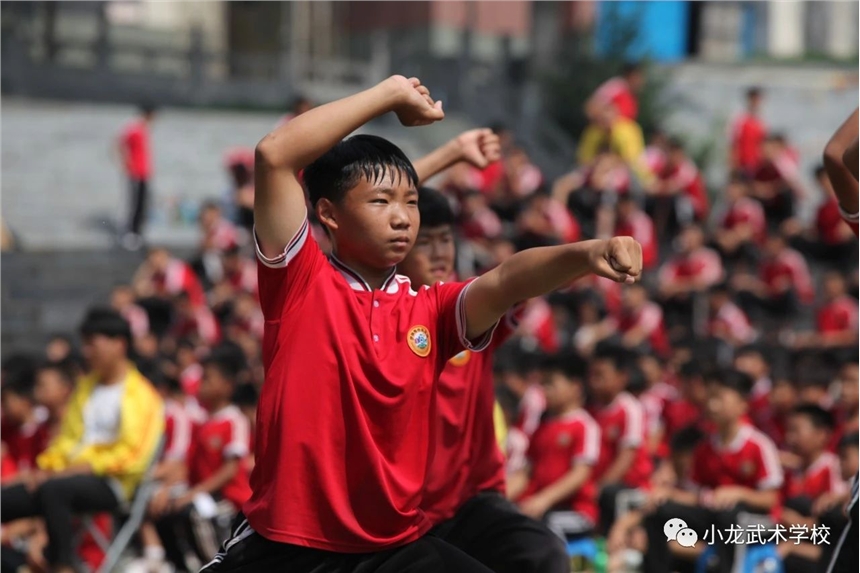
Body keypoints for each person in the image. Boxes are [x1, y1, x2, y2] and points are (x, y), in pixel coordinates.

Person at [203, 75, 643, 572]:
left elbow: (505, 281)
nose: (402, 218)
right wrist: (389, 95)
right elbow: (275, 154)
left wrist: (587, 252)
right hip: (288, 546)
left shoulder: (430, 311)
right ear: (327, 214)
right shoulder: (300, 282)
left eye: (411, 203)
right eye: (381, 202)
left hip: (390, 548)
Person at [398, 187, 568, 573]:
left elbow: (517, 280)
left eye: (446, 240)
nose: (440, 252)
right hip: (400, 513)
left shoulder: (470, 306)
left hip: (469, 502)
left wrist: (588, 254)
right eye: (426, 242)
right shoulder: (378, 314)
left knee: (542, 553)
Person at [1, 308, 164, 573]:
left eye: (92, 344)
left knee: (55, 490)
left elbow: (131, 457)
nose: (86, 352)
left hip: (113, 484)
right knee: (7, 498)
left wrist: (68, 472)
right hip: (67, 478)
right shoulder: (85, 389)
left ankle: (63, 566)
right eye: (84, 344)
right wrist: (45, 470)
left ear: (119, 344)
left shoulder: (143, 396)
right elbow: (67, 441)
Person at [642, 370, 783, 573]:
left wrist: (738, 493)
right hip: (716, 517)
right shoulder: (704, 448)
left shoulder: (758, 445)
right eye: (710, 398)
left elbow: (770, 500)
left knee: (729, 517)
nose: (712, 405)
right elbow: (697, 496)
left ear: (742, 405)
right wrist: (669, 495)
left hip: (756, 522)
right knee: (660, 512)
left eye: (720, 398)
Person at [156, 351, 251, 572]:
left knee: (193, 512)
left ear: (227, 385)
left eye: (208, 378)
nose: (201, 384)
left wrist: (194, 493)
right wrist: (168, 489)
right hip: (205, 494)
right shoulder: (204, 423)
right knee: (164, 510)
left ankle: (214, 564)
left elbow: (230, 470)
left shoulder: (234, 420)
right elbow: (188, 466)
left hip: (229, 498)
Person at [508, 354, 600, 546]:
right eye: (543, 384)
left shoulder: (585, 426)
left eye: (551, 384)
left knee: (542, 528)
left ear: (575, 387)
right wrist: (499, 497)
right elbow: (525, 474)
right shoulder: (541, 427)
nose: (545, 391)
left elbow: (580, 474)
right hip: (538, 506)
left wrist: (543, 500)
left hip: (576, 511)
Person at [588, 345, 653, 533]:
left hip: (631, 488)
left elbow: (626, 458)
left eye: (600, 375)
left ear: (622, 377)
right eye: (592, 375)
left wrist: (598, 488)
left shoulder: (630, 409)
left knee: (610, 496)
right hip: (599, 486)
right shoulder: (590, 410)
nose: (593, 382)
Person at [118, 103, 157, 251]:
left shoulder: (144, 128)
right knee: (134, 203)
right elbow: (120, 144)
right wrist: (126, 164)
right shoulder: (133, 127)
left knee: (142, 203)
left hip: (144, 172)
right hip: (135, 172)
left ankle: (138, 232)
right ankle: (130, 232)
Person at [730, 87, 767, 176]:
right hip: (742, 165)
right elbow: (733, 143)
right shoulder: (740, 119)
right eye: (753, 100)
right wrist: (733, 165)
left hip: (758, 165)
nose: (755, 103)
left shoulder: (762, 121)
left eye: (757, 100)